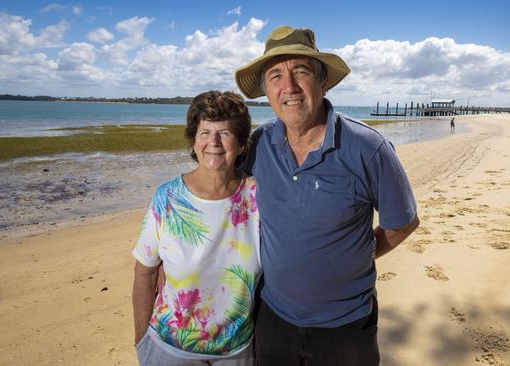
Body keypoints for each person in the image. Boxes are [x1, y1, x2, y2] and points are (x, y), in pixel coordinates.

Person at [234, 26, 420, 365]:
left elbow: (403, 223)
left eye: (300, 72)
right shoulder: (258, 146)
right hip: (273, 318)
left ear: (323, 82)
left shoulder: (369, 148)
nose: (288, 86)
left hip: (346, 326)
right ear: (266, 92)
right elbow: (222, 197)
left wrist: (358, 257)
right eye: (275, 76)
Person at [132, 91, 260, 366]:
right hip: (169, 350)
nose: (213, 142)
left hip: (237, 353)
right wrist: (141, 341)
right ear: (193, 141)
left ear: (240, 145)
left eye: (224, 133)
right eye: (204, 132)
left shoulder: (258, 197)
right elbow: (145, 271)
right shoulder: (167, 198)